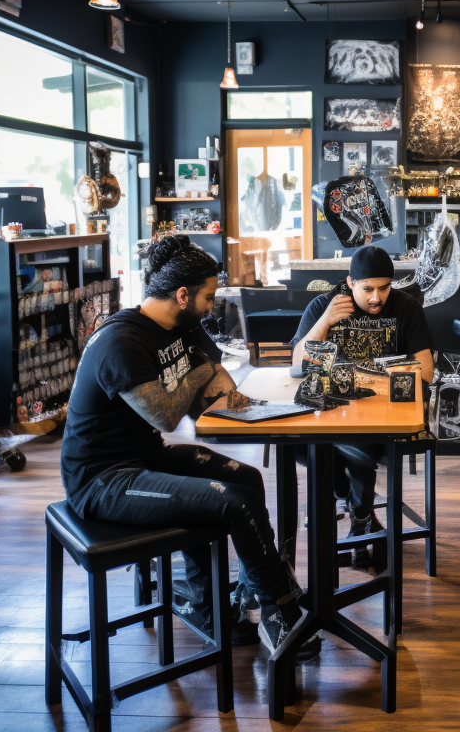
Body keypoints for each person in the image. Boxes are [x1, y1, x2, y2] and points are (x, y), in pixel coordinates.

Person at [59, 235, 316, 658]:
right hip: (102, 480)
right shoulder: (120, 343)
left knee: (247, 479)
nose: (212, 305)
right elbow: (165, 414)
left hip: (147, 457)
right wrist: (202, 376)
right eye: (209, 297)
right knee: (232, 501)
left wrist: (216, 384)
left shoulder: (184, 323)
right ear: (183, 295)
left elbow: (219, 381)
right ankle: (279, 609)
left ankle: (237, 596)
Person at [289, 245, 434, 565]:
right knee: (317, 445)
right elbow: (298, 365)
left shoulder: (406, 307)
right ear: (350, 282)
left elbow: (426, 371)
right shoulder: (323, 306)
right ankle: (360, 516)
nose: (376, 298)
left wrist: (365, 378)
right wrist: (325, 321)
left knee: (353, 446)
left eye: (384, 288)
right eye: (367, 289)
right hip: (331, 413)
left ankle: (357, 517)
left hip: (385, 413)